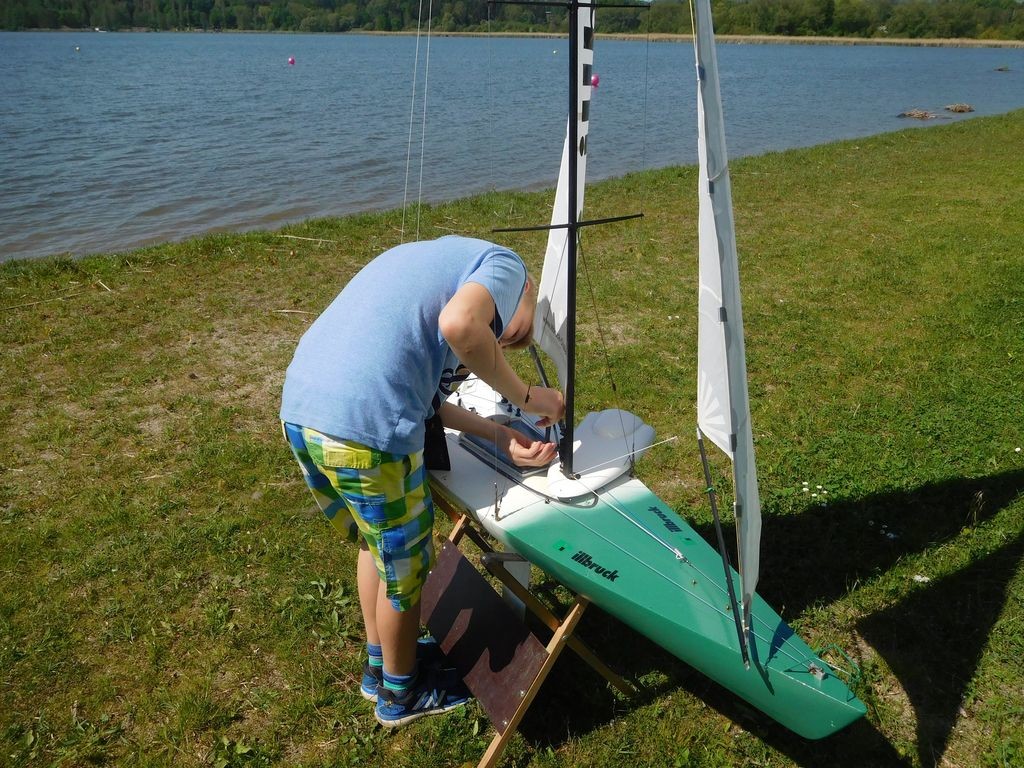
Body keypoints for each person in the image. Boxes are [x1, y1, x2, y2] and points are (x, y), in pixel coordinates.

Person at [280, 235, 565, 728]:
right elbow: (462, 326)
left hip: (305, 410)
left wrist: (499, 435)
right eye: (508, 333)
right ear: (524, 291)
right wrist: (527, 397)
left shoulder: (431, 263)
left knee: (377, 545)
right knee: (406, 570)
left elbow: (429, 398)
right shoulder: (505, 264)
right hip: (365, 428)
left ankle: (381, 667)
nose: (500, 344)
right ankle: (401, 694)